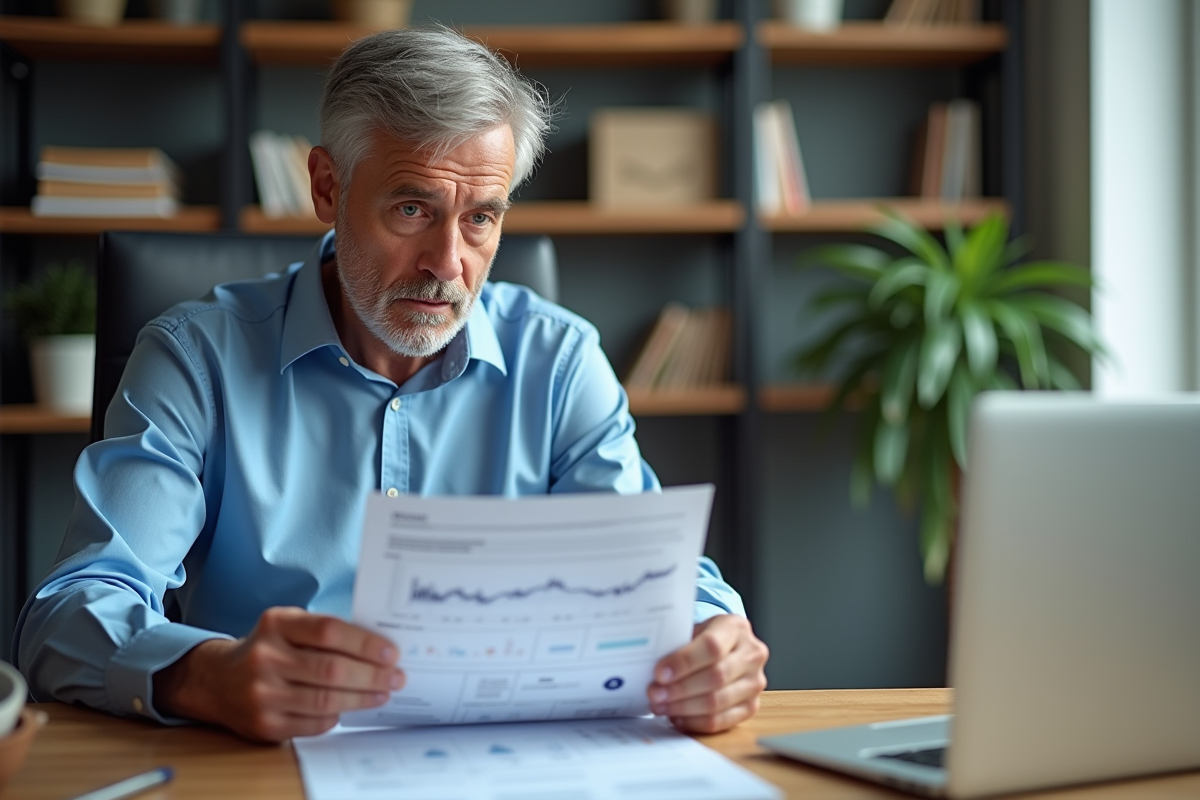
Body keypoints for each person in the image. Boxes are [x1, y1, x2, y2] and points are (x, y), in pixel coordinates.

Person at [14, 27, 768, 743]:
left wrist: (710, 635)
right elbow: (68, 615)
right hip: (266, 765)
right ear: (326, 187)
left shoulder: (560, 362)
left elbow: (647, 577)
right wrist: (204, 676)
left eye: (480, 218)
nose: (447, 262)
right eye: (413, 208)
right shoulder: (195, 358)